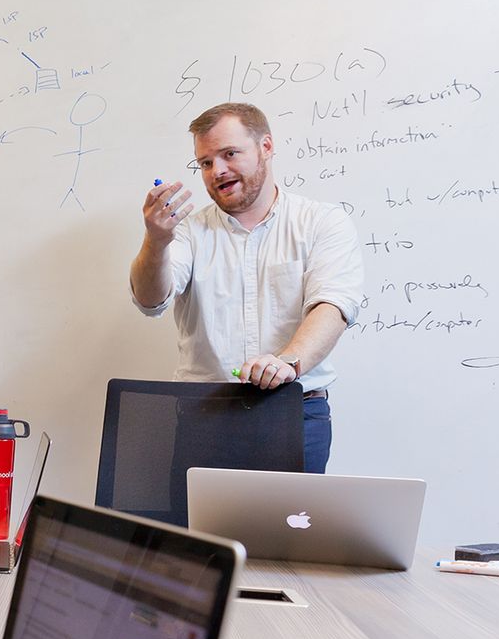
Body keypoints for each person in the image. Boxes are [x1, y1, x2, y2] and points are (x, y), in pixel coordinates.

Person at [128, 102, 364, 472]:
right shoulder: (188, 230)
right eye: (205, 162)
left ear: (266, 147)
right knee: (199, 532)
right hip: (204, 416)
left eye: (229, 154)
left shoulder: (322, 222)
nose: (216, 171)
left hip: (295, 413)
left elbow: (332, 307)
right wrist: (156, 241)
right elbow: (150, 300)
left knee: (291, 532)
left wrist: (287, 361)